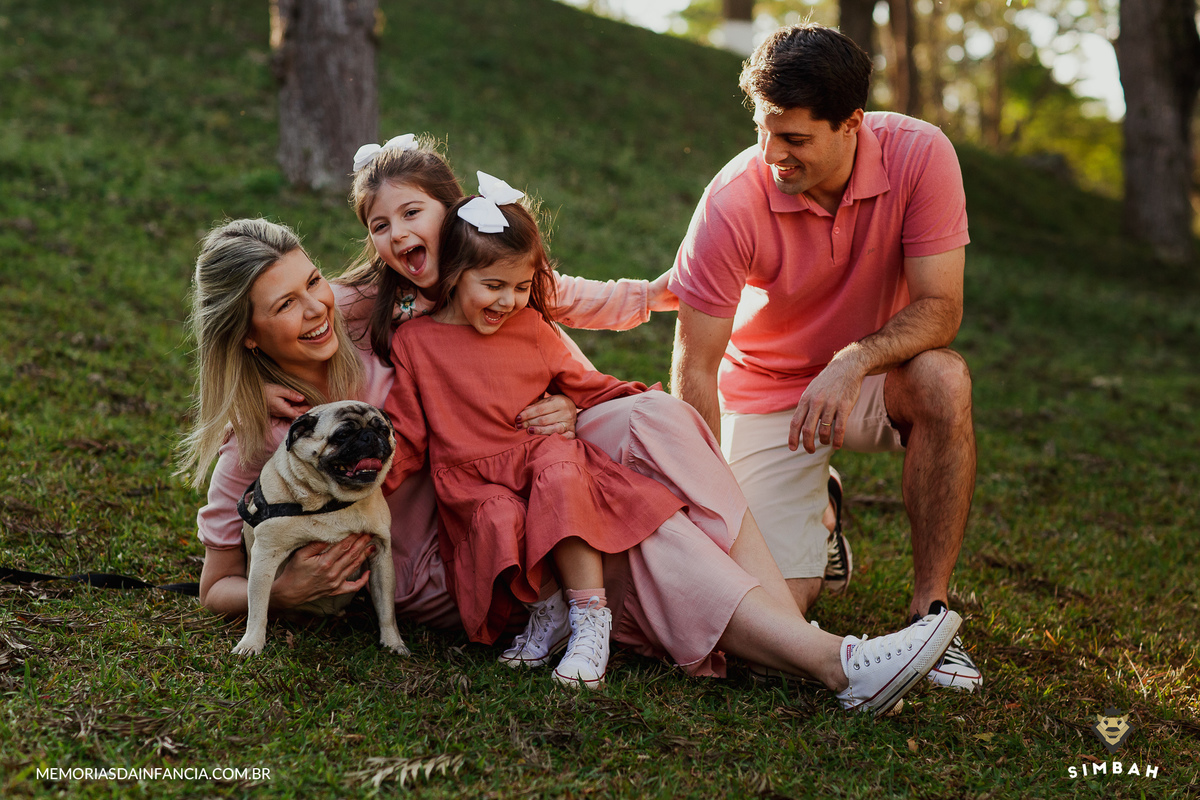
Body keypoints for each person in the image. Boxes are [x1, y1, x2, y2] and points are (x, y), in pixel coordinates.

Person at [182, 164, 958, 717]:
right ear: (248, 339)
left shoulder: (371, 315)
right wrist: (283, 593)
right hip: (464, 549)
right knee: (629, 522)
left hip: (518, 457)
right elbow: (219, 579)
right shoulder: (255, 441)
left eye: (313, 281)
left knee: (655, 418)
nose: (315, 308)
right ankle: (833, 661)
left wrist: (555, 389)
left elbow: (499, 308)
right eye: (285, 306)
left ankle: (801, 634)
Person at [668, 23, 982, 691]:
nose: (771, 153)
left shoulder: (921, 156)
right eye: (764, 131)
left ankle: (931, 614)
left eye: (794, 139)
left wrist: (851, 362)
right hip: (765, 392)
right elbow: (695, 367)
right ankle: (822, 510)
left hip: (870, 379)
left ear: (853, 125)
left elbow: (940, 309)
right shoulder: (732, 200)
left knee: (944, 379)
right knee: (769, 618)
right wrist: (707, 497)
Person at [383, 177, 694, 689]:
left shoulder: (530, 329)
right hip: (471, 478)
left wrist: (591, 401)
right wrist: (366, 488)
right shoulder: (415, 341)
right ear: (456, 276)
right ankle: (546, 614)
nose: (509, 300)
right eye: (494, 286)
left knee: (559, 467)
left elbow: (587, 385)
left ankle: (590, 621)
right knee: (497, 513)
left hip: (531, 456)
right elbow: (408, 433)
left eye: (523, 287)